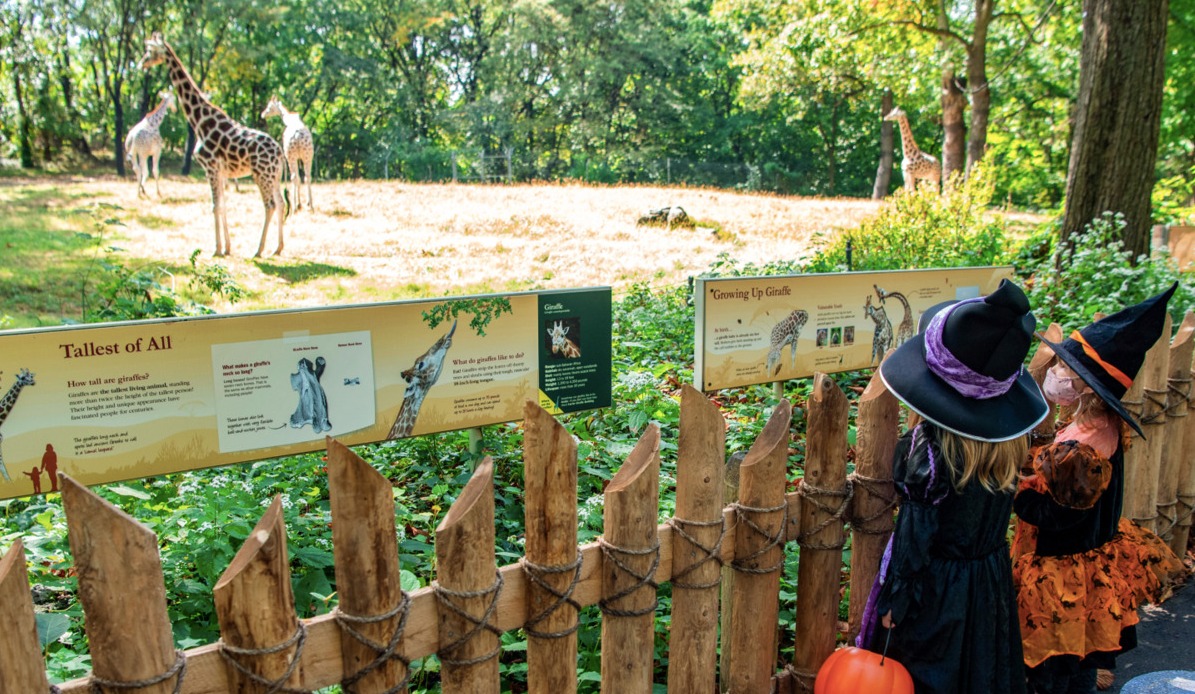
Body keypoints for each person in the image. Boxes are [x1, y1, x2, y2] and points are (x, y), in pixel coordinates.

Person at [856, 279, 1049, 694]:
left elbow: (915, 540)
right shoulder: (1009, 444)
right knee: (979, 672)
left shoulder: (928, 450)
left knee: (931, 678)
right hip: (987, 582)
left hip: (937, 595)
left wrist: (895, 603)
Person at [1013, 283, 1184, 694]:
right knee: (1082, 649)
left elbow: (1058, 514)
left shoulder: (1082, 449)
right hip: (1092, 555)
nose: (1055, 373)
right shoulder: (1101, 426)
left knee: (1056, 662)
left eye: (1064, 369)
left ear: (1087, 386)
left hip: (1062, 569)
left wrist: (1017, 495)